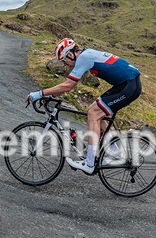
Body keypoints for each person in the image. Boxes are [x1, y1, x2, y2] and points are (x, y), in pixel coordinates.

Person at [26, 38, 142, 174]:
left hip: (129, 85)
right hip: (126, 83)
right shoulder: (87, 55)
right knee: (96, 111)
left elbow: (68, 86)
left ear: (70, 54)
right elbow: (68, 86)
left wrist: (38, 94)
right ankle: (114, 152)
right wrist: (50, 96)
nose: (66, 65)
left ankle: (89, 163)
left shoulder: (84, 58)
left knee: (93, 113)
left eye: (64, 61)